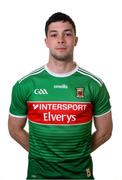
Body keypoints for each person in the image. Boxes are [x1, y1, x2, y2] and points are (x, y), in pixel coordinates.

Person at [8, 12, 113, 179]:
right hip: (39, 174)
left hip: (80, 174)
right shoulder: (25, 85)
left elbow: (105, 132)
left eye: (67, 33)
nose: (61, 39)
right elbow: (14, 129)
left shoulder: (94, 84)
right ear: (46, 41)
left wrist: (76, 154)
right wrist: (41, 154)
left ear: (76, 40)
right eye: (54, 34)